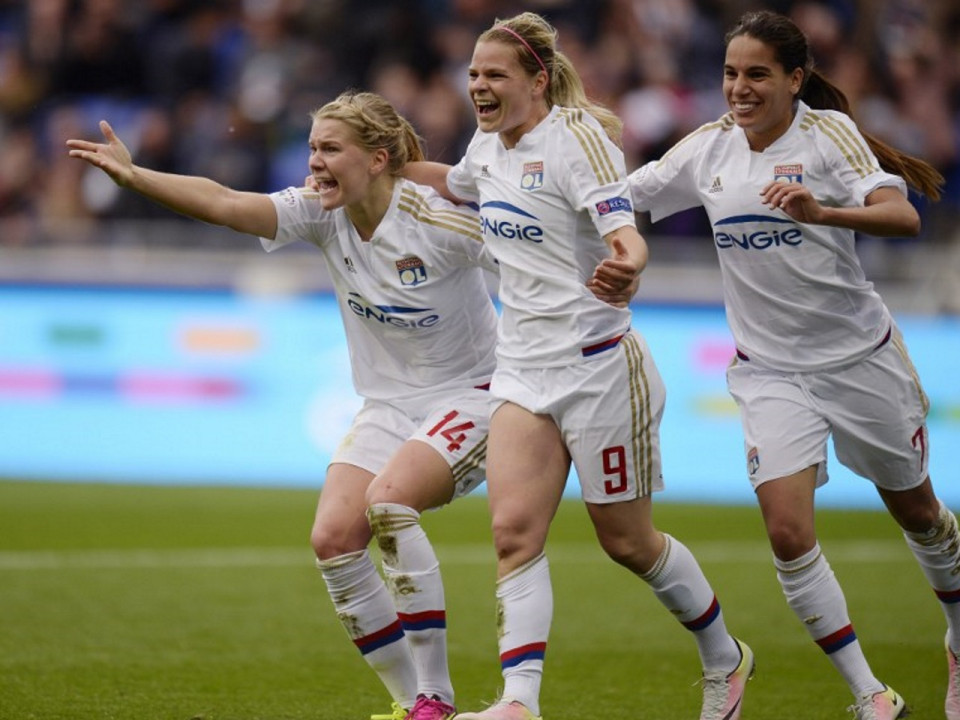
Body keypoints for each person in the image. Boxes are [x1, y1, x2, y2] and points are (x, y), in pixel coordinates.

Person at [67, 91, 500, 720]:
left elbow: (531, 260)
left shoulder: (441, 221)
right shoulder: (321, 213)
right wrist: (136, 176)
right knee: (332, 538)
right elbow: (224, 202)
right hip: (388, 404)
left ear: (378, 160)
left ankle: (435, 694)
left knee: (389, 503)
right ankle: (415, 707)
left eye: (330, 149)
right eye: (312, 148)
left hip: (473, 395)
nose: (314, 163)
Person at [405, 12, 753, 720]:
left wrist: (628, 266)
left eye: (494, 74)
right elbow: (462, 183)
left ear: (536, 80)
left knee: (626, 541)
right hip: (523, 372)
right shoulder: (487, 145)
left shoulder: (575, 140)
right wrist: (376, 165)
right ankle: (518, 703)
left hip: (598, 369)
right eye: (473, 74)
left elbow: (623, 232)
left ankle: (725, 653)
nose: (478, 85)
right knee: (512, 534)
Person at [626, 9, 960, 720]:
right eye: (729, 74)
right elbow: (627, 197)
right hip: (769, 371)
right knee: (786, 531)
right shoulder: (708, 149)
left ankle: (959, 641)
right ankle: (870, 693)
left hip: (858, 359)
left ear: (795, 79)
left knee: (920, 513)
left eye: (756, 74)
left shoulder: (827, 135)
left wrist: (822, 213)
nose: (739, 88)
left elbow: (902, 219)